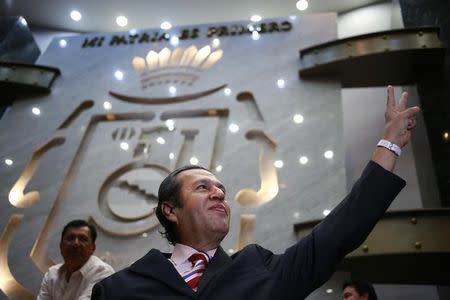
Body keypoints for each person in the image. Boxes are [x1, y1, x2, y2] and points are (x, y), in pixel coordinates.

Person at [92, 86, 420, 299]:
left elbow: (338, 233)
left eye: (221, 189)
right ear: (170, 210)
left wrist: (389, 143)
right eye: (203, 187)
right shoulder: (117, 289)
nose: (219, 194)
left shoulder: (259, 267)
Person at [37, 219, 114, 300]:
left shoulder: (103, 272)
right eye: (70, 238)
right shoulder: (52, 273)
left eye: (83, 239)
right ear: (61, 245)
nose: (76, 243)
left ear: (93, 248)